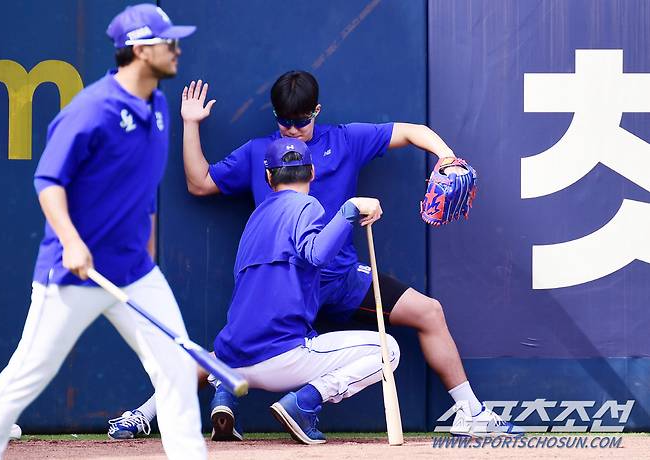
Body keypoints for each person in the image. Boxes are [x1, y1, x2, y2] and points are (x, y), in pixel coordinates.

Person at [109, 71, 522, 439]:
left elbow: (413, 130)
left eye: (300, 121)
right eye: (283, 121)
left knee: (429, 312)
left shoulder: (345, 139)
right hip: (286, 284)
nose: (291, 130)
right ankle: (148, 414)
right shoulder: (262, 153)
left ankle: (471, 413)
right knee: (233, 350)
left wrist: (446, 156)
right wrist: (190, 124)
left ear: (316, 112)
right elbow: (200, 182)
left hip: (340, 279)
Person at [0, 4, 207, 459]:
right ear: (141, 49)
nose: (177, 49)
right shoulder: (91, 110)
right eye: (169, 42)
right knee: (26, 375)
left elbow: (143, 185)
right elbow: (48, 182)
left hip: (134, 271)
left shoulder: (161, 106)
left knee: (175, 369)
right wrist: (71, 241)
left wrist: (146, 252)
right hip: (74, 274)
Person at [215, 137, 398, 444]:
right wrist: (350, 210)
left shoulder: (255, 218)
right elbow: (316, 254)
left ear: (268, 177)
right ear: (312, 172)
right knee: (388, 349)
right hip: (281, 358)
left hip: (232, 360)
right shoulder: (306, 205)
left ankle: (224, 395)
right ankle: (304, 403)